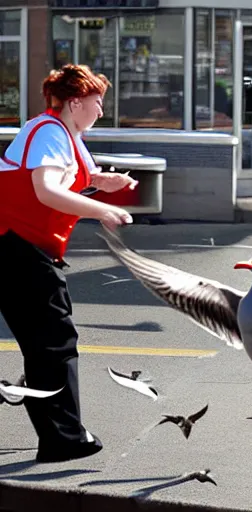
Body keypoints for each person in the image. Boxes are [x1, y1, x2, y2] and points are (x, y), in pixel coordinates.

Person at [0, 64, 138, 463]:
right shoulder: (47, 131)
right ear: (76, 102)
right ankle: (63, 438)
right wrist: (102, 210)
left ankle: (61, 432)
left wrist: (100, 181)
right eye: (97, 102)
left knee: (49, 342)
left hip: (22, 247)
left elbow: (62, 180)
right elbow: (44, 190)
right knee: (53, 342)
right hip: (18, 247)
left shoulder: (63, 134)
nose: (100, 111)